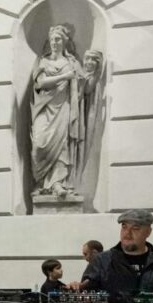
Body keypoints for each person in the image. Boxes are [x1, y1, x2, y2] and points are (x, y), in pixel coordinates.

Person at [30, 25, 99, 199]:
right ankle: (42, 182)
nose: (54, 42)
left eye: (58, 39)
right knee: (38, 145)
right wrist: (64, 77)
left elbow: (86, 90)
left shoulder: (72, 63)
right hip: (44, 108)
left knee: (63, 146)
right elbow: (40, 83)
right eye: (52, 39)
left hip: (65, 108)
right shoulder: (43, 61)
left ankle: (57, 183)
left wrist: (94, 72)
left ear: (65, 41)